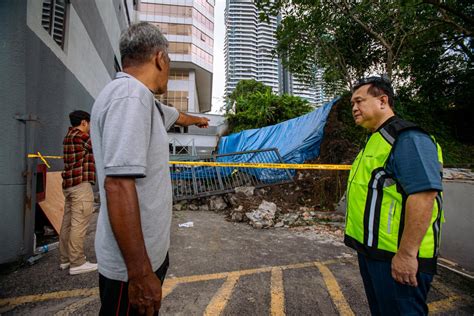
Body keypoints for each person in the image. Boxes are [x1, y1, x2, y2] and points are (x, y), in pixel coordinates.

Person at [90, 22, 209, 315]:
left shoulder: (143, 100)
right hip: (131, 269)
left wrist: (199, 121)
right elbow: (118, 184)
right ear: (160, 58)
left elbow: (177, 116)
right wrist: (141, 273)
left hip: (145, 259)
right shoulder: (131, 97)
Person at [344, 76, 444, 315]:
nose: (354, 108)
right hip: (373, 253)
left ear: (382, 101)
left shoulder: (407, 138)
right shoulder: (374, 141)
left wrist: (407, 255)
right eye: (352, 104)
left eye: (359, 101)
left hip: (396, 257)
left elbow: (423, 195)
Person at [60, 110, 98, 275]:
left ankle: (65, 260)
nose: (89, 128)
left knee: (67, 224)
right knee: (79, 224)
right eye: (89, 124)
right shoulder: (81, 136)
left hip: (69, 185)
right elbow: (98, 145)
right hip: (80, 186)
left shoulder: (68, 136)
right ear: (84, 122)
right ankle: (77, 262)